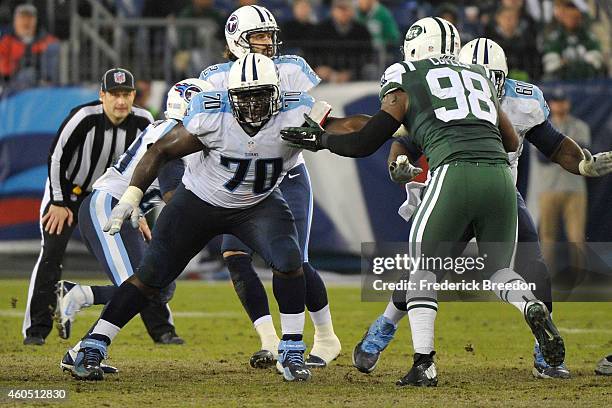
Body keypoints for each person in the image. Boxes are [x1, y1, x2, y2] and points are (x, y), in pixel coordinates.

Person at [281, 17, 567, 386]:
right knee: (498, 269)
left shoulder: (406, 73)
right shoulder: (478, 77)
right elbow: (512, 143)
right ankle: (528, 303)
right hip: (500, 177)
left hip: (453, 174)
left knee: (422, 268)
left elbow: (366, 141)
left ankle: (423, 363)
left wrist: (321, 140)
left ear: (418, 46)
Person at [69, 54, 365, 382]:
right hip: (200, 202)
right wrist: (132, 194)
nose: (252, 106)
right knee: (151, 276)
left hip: (258, 203)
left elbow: (349, 127)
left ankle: (291, 349)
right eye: (244, 97)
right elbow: (160, 151)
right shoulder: (213, 113)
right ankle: (93, 343)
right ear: (229, 95)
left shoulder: (296, 111)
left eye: (260, 95)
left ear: (278, 93)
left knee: (290, 260)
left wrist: (391, 123)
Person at [350, 37, 612, 380]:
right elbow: (405, 140)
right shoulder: (441, 90)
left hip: (499, 192)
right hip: (469, 188)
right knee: (430, 269)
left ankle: (543, 354)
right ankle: (384, 326)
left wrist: (580, 165)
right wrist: (398, 162)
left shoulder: (521, 100)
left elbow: (553, 143)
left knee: (524, 265)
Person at [199, 5, 341, 369]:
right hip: (241, 179)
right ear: (235, 40)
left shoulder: (290, 69)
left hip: (286, 175)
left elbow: (317, 108)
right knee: (234, 256)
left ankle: (326, 336)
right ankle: (270, 340)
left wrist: (314, 123)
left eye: (268, 35)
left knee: (295, 261)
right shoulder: (214, 78)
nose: (266, 43)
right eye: (257, 36)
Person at [56, 79, 210, 376]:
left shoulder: (169, 129)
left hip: (126, 210)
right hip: (108, 206)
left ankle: (82, 303)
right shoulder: (173, 134)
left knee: (161, 288)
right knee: (140, 290)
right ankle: (84, 349)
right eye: (209, 107)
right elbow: (172, 194)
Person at [21, 68, 154, 346]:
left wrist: (138, 208)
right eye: (115, 94)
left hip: (111, 198)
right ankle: (36, 329)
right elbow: (57, 158)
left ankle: (162, 330)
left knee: (145, 259)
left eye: (126, 94)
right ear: (101, 95)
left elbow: (147, 168)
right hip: (69, 193)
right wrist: (58, 201)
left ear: (133, 95)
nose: (121, 101)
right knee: (51, 254)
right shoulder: (84, 117)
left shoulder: (144, 120)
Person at [536, 89, 591, 276]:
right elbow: (542, 157)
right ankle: (546, 277)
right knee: (547, 237)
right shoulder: (542, 126)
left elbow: (584, 156)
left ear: (568, 103)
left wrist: (557, 150)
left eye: (563, 101)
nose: (560, 105)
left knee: (576, 237)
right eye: (556, 101)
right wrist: (566, 151)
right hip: (548, 189)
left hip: (574, 188)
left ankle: (581, 278)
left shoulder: (580, 125)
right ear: (550, 104)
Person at [0, 3, 59, 89]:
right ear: (15, 21)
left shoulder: (48, 41)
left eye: (30, 18)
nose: (26, 22)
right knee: (28, 74)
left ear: (35, 21)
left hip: (41, 85)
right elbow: (4, 71)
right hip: (12, 87)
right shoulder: (6, 42)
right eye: (22, 18)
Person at [542, 0, 604, 80]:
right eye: (568, 17)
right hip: (560, 85)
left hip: (587, 82)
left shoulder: (589, 37)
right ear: (563, 17)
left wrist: (566, 63)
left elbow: (596, 63)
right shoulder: (554, 38)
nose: (571, 20)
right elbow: (551, 66)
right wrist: (583, 61)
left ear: (580, 17)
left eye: (575, 17)